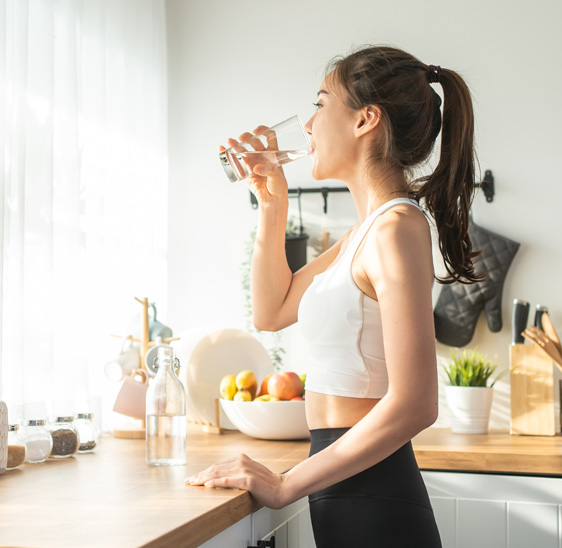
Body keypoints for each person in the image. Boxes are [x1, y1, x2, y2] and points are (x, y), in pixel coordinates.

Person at [186, 45, 483, 547]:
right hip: (345, 486)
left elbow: (416, 404)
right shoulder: (364, 233)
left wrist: (283, 485)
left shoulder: (396, 227)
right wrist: (272, 206)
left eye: (321, 104)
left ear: (366, 119)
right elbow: (272, 310)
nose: (307, 125)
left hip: (375, 495)